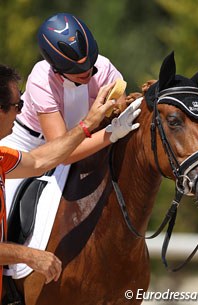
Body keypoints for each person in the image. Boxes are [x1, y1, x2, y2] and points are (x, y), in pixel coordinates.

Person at [0, 64, 142, 297]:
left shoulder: (3, 158)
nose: (21, 113)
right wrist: (30, 255)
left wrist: (104, 130)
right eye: (19, 106)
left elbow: (39, 162)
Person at [1, 12, 132, 216]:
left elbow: (122, 110)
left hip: (80, 139)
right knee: (7, 204)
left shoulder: (104, 67)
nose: (86, 72)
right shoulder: (41, 79)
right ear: (56, 67)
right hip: (26, 145)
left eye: (90, 64)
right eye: (75, 68)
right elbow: (63, 153)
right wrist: (111, 134)